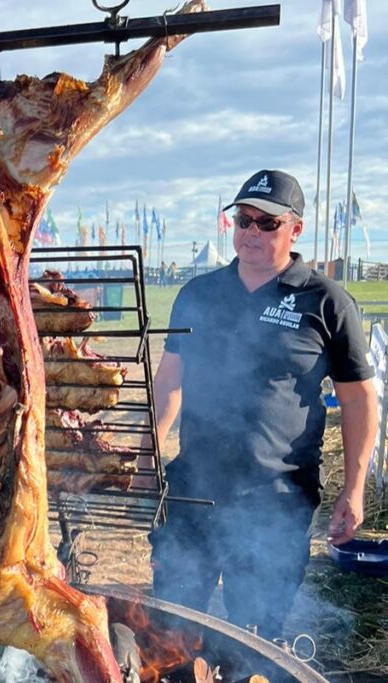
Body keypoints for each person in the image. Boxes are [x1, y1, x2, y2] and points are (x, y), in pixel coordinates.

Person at [147, 170, 378, 639]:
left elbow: (358, 400)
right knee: (170, 628)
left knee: (253, 636)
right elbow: (170, 382)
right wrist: (143, 451)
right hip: (194, 490)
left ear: (295, 229)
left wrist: (353, 489)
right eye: (244, 220)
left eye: (266, 223)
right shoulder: (198, 295)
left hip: (276, 499)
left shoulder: (327, 302)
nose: (251, 231)